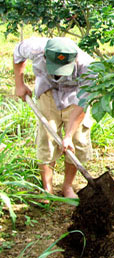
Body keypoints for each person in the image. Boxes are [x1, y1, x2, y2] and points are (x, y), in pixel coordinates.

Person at [13, 37, 94, 199]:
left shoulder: (88, 66)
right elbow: (17, 55)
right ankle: (47, 188)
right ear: (45, 56)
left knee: (77, 142)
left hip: (74, 98)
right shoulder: (34, 47)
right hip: (48, 91)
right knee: (47, 139)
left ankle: (67, 187)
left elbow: (83, 103)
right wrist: (19, 84)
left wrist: (69, 135)